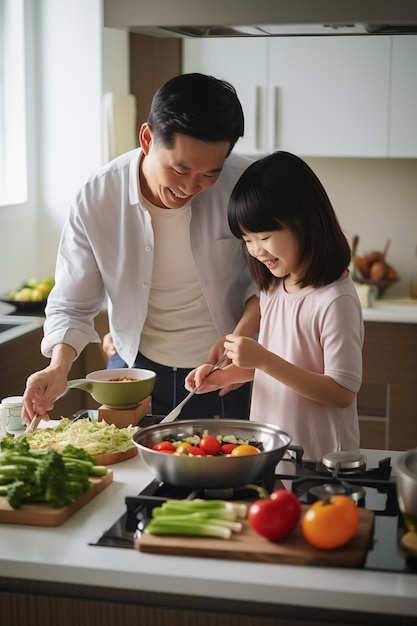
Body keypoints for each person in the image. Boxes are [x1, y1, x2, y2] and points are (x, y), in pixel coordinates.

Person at [22, 73, 260, 424]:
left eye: (210, 173)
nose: (191, 186)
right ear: (148, 139)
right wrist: (58, 368)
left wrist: (239, 338)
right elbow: (73, 302)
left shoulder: (245, 185)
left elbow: (272, 282)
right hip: (134, 368)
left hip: (226, 373)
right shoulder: (98, 197)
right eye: (179, 168)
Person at [185, 151, 364, 461]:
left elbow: (341, 392)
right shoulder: (273, 288)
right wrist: (223, 377)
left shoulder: (335, 300)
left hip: (320, 459)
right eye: (247, 239)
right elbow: (285, 366)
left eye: (265, 236)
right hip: (273, 450)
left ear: (304, 222)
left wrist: (263, 360)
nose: (256, 250)